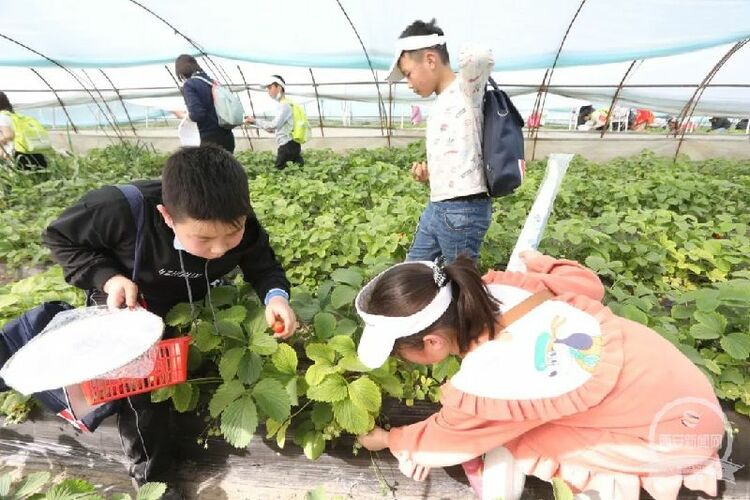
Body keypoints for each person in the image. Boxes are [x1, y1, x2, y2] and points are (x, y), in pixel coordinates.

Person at [355, 252, 724, 500]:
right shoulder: (507, 290)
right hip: (685, 390)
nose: (401, 361)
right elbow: (588, 284)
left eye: (401, 354)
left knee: (516, 435)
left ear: (432, 343)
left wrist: (390, 438)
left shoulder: (490, 377)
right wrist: (541, 262)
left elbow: (447, 440)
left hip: (669, 438)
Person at [43, 145, 297, 496]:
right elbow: (61, 237)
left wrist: (276, 297)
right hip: (129, 301)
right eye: (204, 238)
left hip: (187, 299)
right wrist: (107, 277)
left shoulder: (241, 221)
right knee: (140, 388)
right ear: (167, 216)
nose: (221, 249)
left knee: (182, 368)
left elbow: (263, 265)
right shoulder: (119, 209)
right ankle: (152, 478)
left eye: (232, 232)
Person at [386, 19, 493, 263]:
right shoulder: (441, 102)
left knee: (461, 283)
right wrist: (430, 177)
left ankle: (470, 302)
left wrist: (441, 41)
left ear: (431, 60)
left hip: (462, 210)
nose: (408, 83)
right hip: (439, 205)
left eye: (408, 74)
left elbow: (480, 56)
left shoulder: (467, 90)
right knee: (414, 269)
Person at [174, 55, 235, 153]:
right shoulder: (213, 82)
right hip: (227, 138)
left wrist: (182, 115)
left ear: (180, 71)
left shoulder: (190, 85)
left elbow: (197, 115)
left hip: (209, 143)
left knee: (208, 168)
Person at [244, 75, 304, 170]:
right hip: (292, 144)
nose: (268, 91)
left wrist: (255, 121)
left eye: (270, 87)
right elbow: (275, 128)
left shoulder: (284, 105)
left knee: (278, 171)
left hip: (287, 146)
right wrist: (254, 123)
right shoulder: (286, 103)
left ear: (279, 88)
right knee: (297, 171)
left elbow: (273, 125)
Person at [0, 91, 48, 168]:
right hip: (27, 150)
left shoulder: (2, 116)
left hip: (14, 152)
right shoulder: (13, 114)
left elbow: (8, 135)